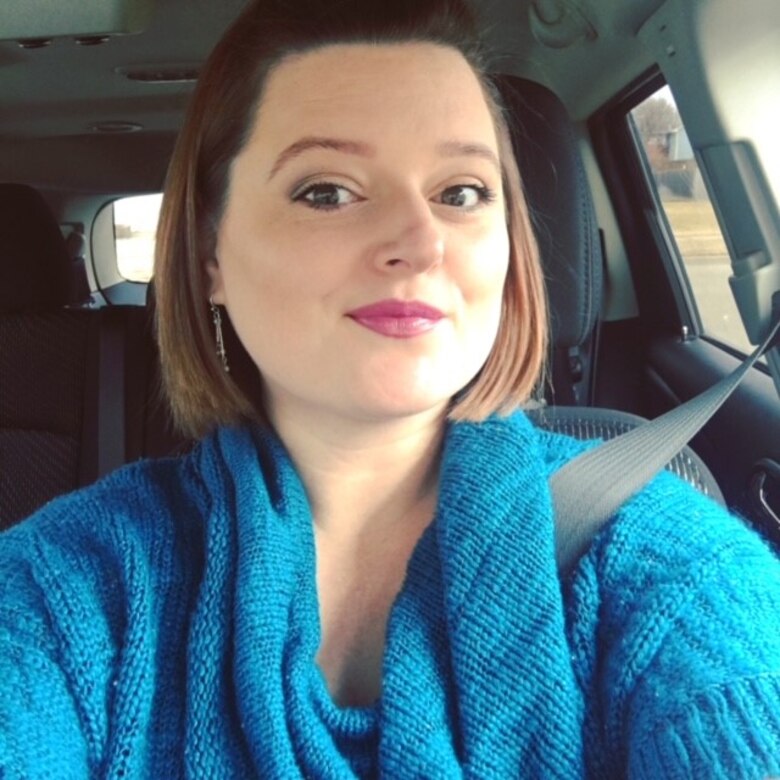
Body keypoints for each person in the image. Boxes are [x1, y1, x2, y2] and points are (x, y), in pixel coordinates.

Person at [2, 0, 780, 777]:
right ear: (209, 252)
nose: (420, 241)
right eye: (327, 191)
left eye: (462, 192)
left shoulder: (674, 576)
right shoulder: (65, 592)